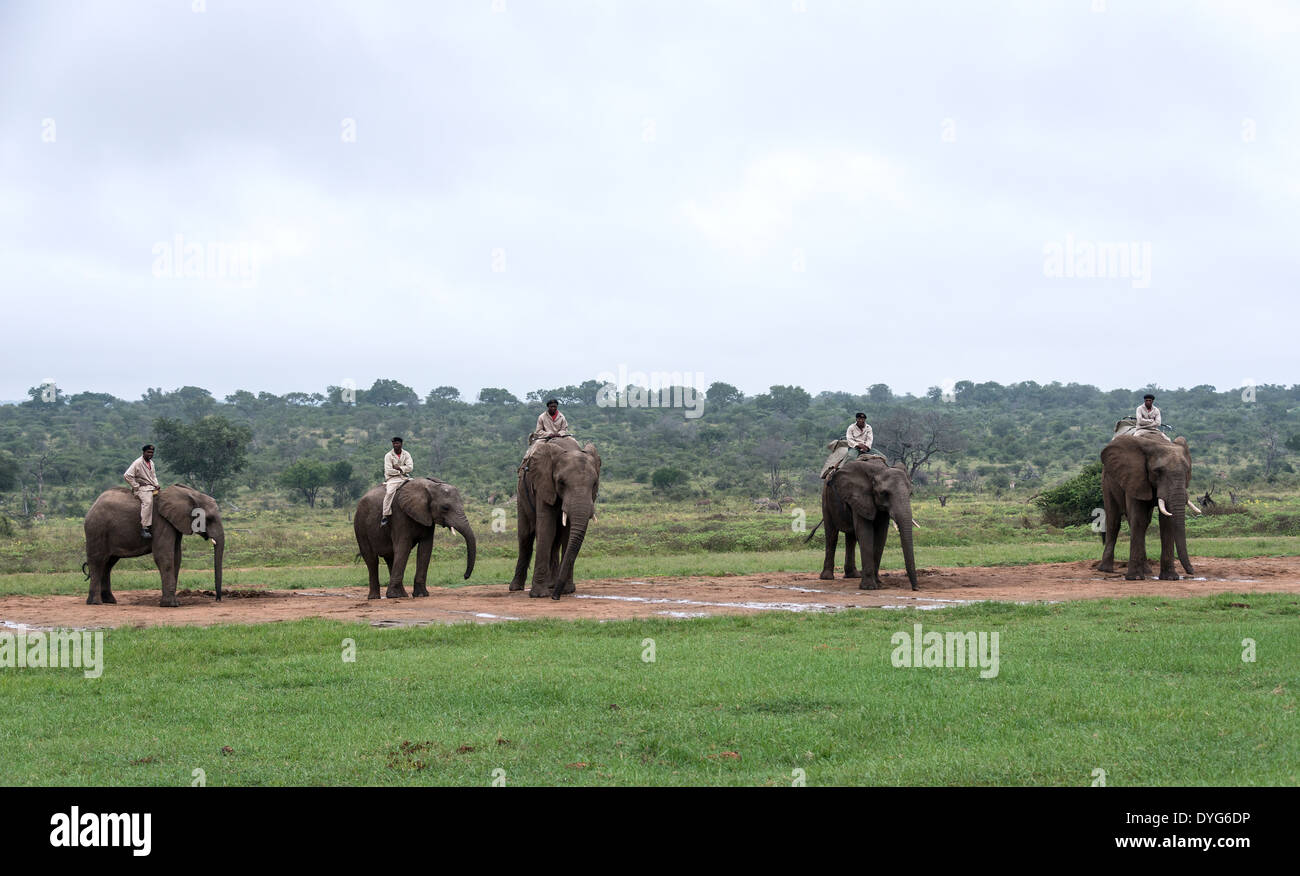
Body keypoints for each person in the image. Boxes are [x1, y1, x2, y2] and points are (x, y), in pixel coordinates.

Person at [123, 444, 160, 539]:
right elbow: (127, 475)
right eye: (148, 452)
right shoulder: (138, 462)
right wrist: (136, 485)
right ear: (143, 452)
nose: (150, 454)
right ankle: (144, 527)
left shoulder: (151, 463)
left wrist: (156, 484)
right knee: (147, 502)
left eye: (152, 452)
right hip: (142, 489)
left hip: (151, 487)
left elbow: (153, 475)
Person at [522, 399, 571, 467]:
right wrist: (549, 434)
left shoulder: (562, 417)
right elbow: (539, 431)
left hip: (560, 437)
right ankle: (526, 462)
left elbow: (564, 429)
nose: (553, 408)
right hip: (545, 438)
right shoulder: (542, 417)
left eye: (555, 406)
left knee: (573, 442)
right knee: (535, 447)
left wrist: (559, 433)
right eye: (551, 407)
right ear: (548, 407)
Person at [381, 437, 413, 526]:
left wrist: (399, 468)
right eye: (394, 443)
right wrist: (401, 470)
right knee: (390, 492)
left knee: (417, 488)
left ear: (401, 444)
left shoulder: (406, 454)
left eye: (397, 443)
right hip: (392, 478)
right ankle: (385, 515)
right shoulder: (388, 455)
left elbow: (410, 467)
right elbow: (388, 470)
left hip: (405, 477)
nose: (395, 445)